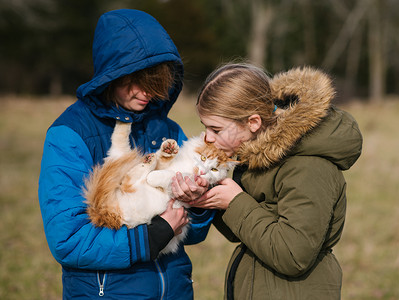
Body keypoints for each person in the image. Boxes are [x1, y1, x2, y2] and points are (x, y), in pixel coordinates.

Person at [38, 9, 212, 299]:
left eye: (155, 81)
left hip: (175, 290)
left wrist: (199, 204)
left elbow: (192, 232)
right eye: (134, 80)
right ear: (111, 75)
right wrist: (149, 238)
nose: (145, 92)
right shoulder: (68, 135)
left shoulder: (167, 128)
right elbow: (67, 240)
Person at [179, 63, 363, 299]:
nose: (207, 138)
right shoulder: (256, 156)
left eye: (216, 129)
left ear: (253, 123)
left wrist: (234, 202)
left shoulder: (307, 166)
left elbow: (293, 255)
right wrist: (207, 196)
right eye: (205, 127)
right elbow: (244, 231)